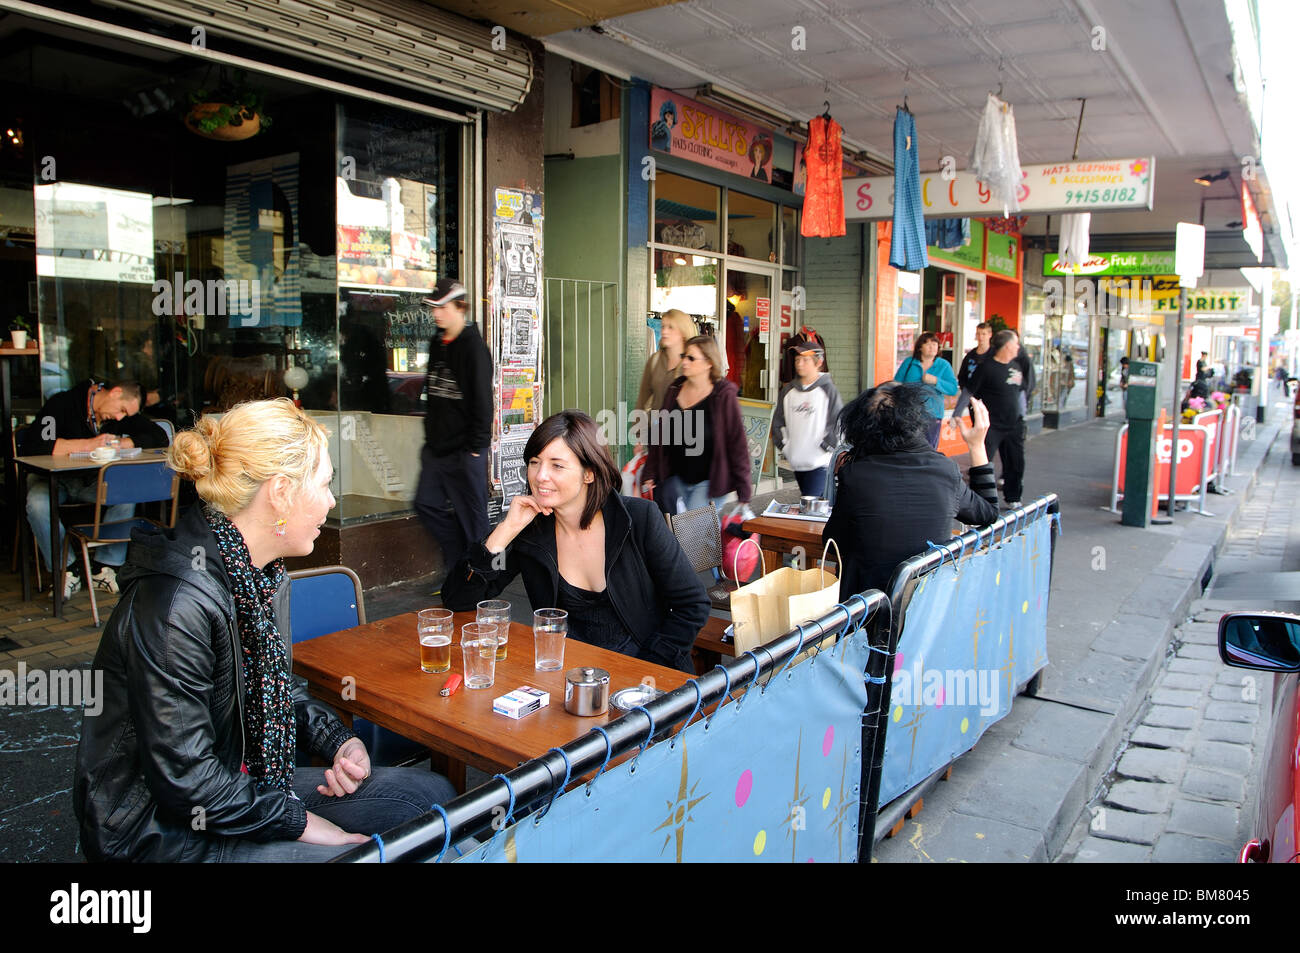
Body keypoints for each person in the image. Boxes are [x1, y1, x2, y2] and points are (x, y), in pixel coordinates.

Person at [73, 399, 455, 862]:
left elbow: (274, 692)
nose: (332, 500)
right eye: (325, 483)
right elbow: (188, 783)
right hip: (160, 833)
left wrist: (338, 740)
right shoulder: (177, 605)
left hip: (243, 780)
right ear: (280, 492)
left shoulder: (257, 573)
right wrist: (305, 824)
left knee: (432, 796)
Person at [442, 411, 709, 673]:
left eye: (557, 465)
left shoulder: (639, 520)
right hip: (567, 675)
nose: (540, 476)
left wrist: (645, 667)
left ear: (588, 473)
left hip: (645, 677)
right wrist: (506, 530)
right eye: (535, 462)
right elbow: (458, 598)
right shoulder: (530, 531)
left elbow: (692, 604)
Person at [825, 383, 998, 596]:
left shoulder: (855, 476)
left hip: (866, 609)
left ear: (861, 430)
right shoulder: (946, 471)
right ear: (915, 420)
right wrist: (977, 445)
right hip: (927, 605)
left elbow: (832, 542)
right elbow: (989, 514)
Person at [18, 379, 168, 598]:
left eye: (126, 415)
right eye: (122, 410)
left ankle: (102, 567)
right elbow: (36, 445)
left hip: (91, 481)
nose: (121, 417)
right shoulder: (62, 403)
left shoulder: (118, 416)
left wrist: (121, 443)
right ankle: (67, 570)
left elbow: (158, 436)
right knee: (37, 504)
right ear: (115, 393)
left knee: (127, 491)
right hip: (52, 480)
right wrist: (90, 444)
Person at [413, 278, 493, 588]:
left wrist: (475, 448)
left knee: (474, 522)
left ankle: (480, 581)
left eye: (442, 307)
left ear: (460, 307)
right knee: (426, 504)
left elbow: (483, 403)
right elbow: (433, 395)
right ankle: (457, 565)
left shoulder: (473, 348)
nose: (436, 314)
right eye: (433, 308)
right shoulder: (437, 342)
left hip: (465, 450)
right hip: (436, 450)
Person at [643, 335, 753, 514]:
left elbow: (737, 443)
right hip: (676, 478)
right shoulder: (674, 390)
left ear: (709, 362)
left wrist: (744, 491)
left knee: (694, 533)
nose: (684, 362)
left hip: (708, 482)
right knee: (679, 534)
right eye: (684, 356)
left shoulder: (723, 396)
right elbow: (660, 434)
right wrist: (650, 471)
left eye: (691, 358)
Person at [773, 341, 843, 498]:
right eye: (797, 360)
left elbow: (837, 422)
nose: (800, 364)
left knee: (809, 502)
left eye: (805, 360)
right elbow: (778, 422)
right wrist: (786, 447)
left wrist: (824, 448)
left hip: (819, 463)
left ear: (818, 362)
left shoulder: (828, 390)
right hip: (796, 462)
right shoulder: (788, 391)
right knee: (812, 506)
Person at [967, 329, 1028, 508]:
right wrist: (972, 419)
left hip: (1014, 424)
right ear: (1008, 346)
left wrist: (1021, 416)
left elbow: (1021, 392)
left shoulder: (1016, 366)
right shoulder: (986, 367)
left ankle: (1013, 497)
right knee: (982, 463)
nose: (1018, 347)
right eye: (1016, 343)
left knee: (1016, 462)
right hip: (991, 425)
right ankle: (977, 501)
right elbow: (970, 393)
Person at [893, 332, 958, 448]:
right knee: (907, 447)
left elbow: (953, 389)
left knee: (929, 449)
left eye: (935, 344)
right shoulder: (909, 362)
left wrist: (936, 381)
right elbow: (896, 384)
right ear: (919, 347)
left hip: (932, 415)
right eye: (928, 344)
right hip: (909, 413)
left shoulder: (943, 365)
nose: (932, 347)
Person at [636, 309, 695, 414]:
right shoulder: (655, 360)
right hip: (656, 426)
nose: (664, 331)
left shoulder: (692, 362)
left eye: (670, 327)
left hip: (684, 427)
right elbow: (642, 400)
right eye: (663, 326)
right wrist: (638, 428)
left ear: (683, 332)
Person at [953, 321, 993, 420]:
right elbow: (962, 376)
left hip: (991, 399)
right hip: (973, 398)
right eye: (978, 334)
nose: (981, 337)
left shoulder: (995, 355)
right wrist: (968, 394)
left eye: (984, 334)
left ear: (990, 335)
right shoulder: (970, 356)